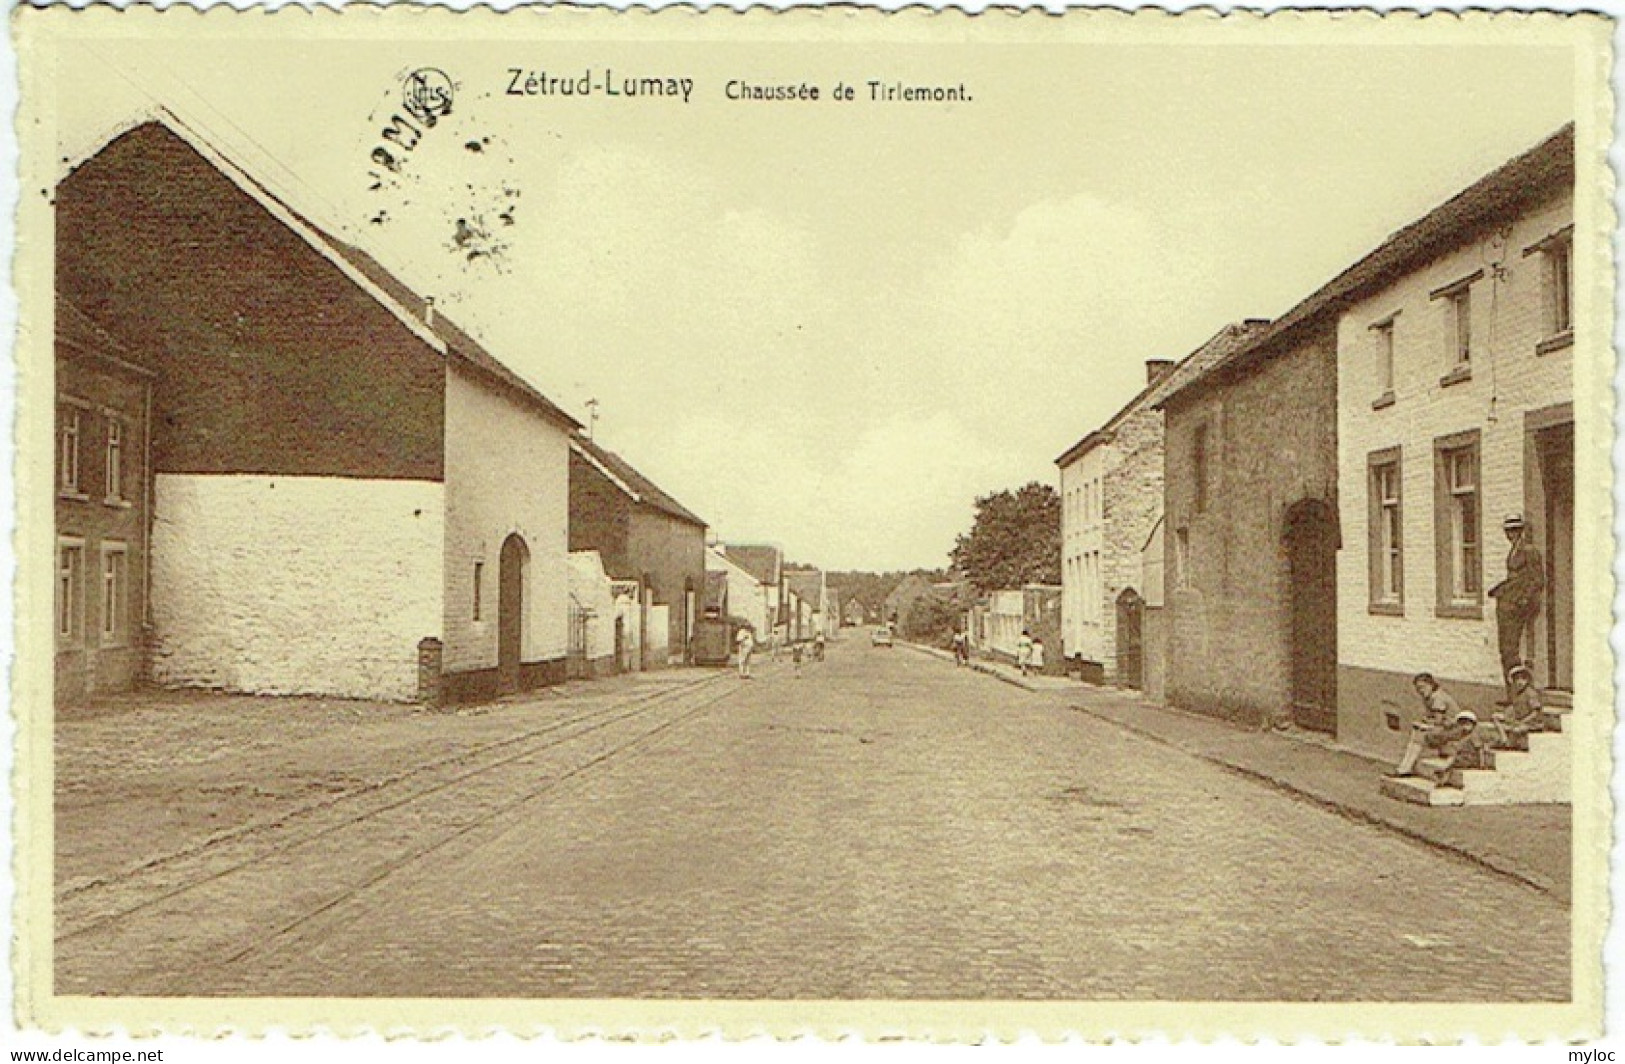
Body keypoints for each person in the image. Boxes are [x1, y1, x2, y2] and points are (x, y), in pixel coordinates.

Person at [1488, 514, 1544, 682]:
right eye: (1508, 530)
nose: (1510, 534)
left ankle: (1519, 693)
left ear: (1520, 531)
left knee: (1510, 649)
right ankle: (1511, 694)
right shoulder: (1513, 551)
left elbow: (1537, 579)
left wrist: (1524, 599)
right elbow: (1514, 578)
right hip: (1507, 602)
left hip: (1517, 605)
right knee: (1505, 649)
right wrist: (1499, 588)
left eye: (1514, 530)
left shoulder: (1529, 551)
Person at [1392, 673, 1463, 777]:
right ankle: (1404, 767)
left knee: (1419, 735)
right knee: (1417, 733)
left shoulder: (1438, 697)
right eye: (1418, 689)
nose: (1420, 691)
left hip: (1454, 730)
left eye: (1422, 687)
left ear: (1430, 685)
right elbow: (1432, 718)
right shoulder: (1429, 697)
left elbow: (1438, 720)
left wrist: (1425, 726)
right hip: (1445, 728)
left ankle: (1405, 768)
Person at [1492, 664, 1557, 748]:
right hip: (1519, 719)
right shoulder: (1517, 694)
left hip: (1532, 723)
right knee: (1496, 717)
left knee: (1516, 730)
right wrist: (1509, 716)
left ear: (1527, 680)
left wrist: (1522, 721)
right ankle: (1504, 739)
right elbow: (1515, 708)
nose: (1520, 682)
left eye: (1523, 679)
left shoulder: (1530, 693)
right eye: (1517, 679)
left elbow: (1535, 713)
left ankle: (1512, 743)